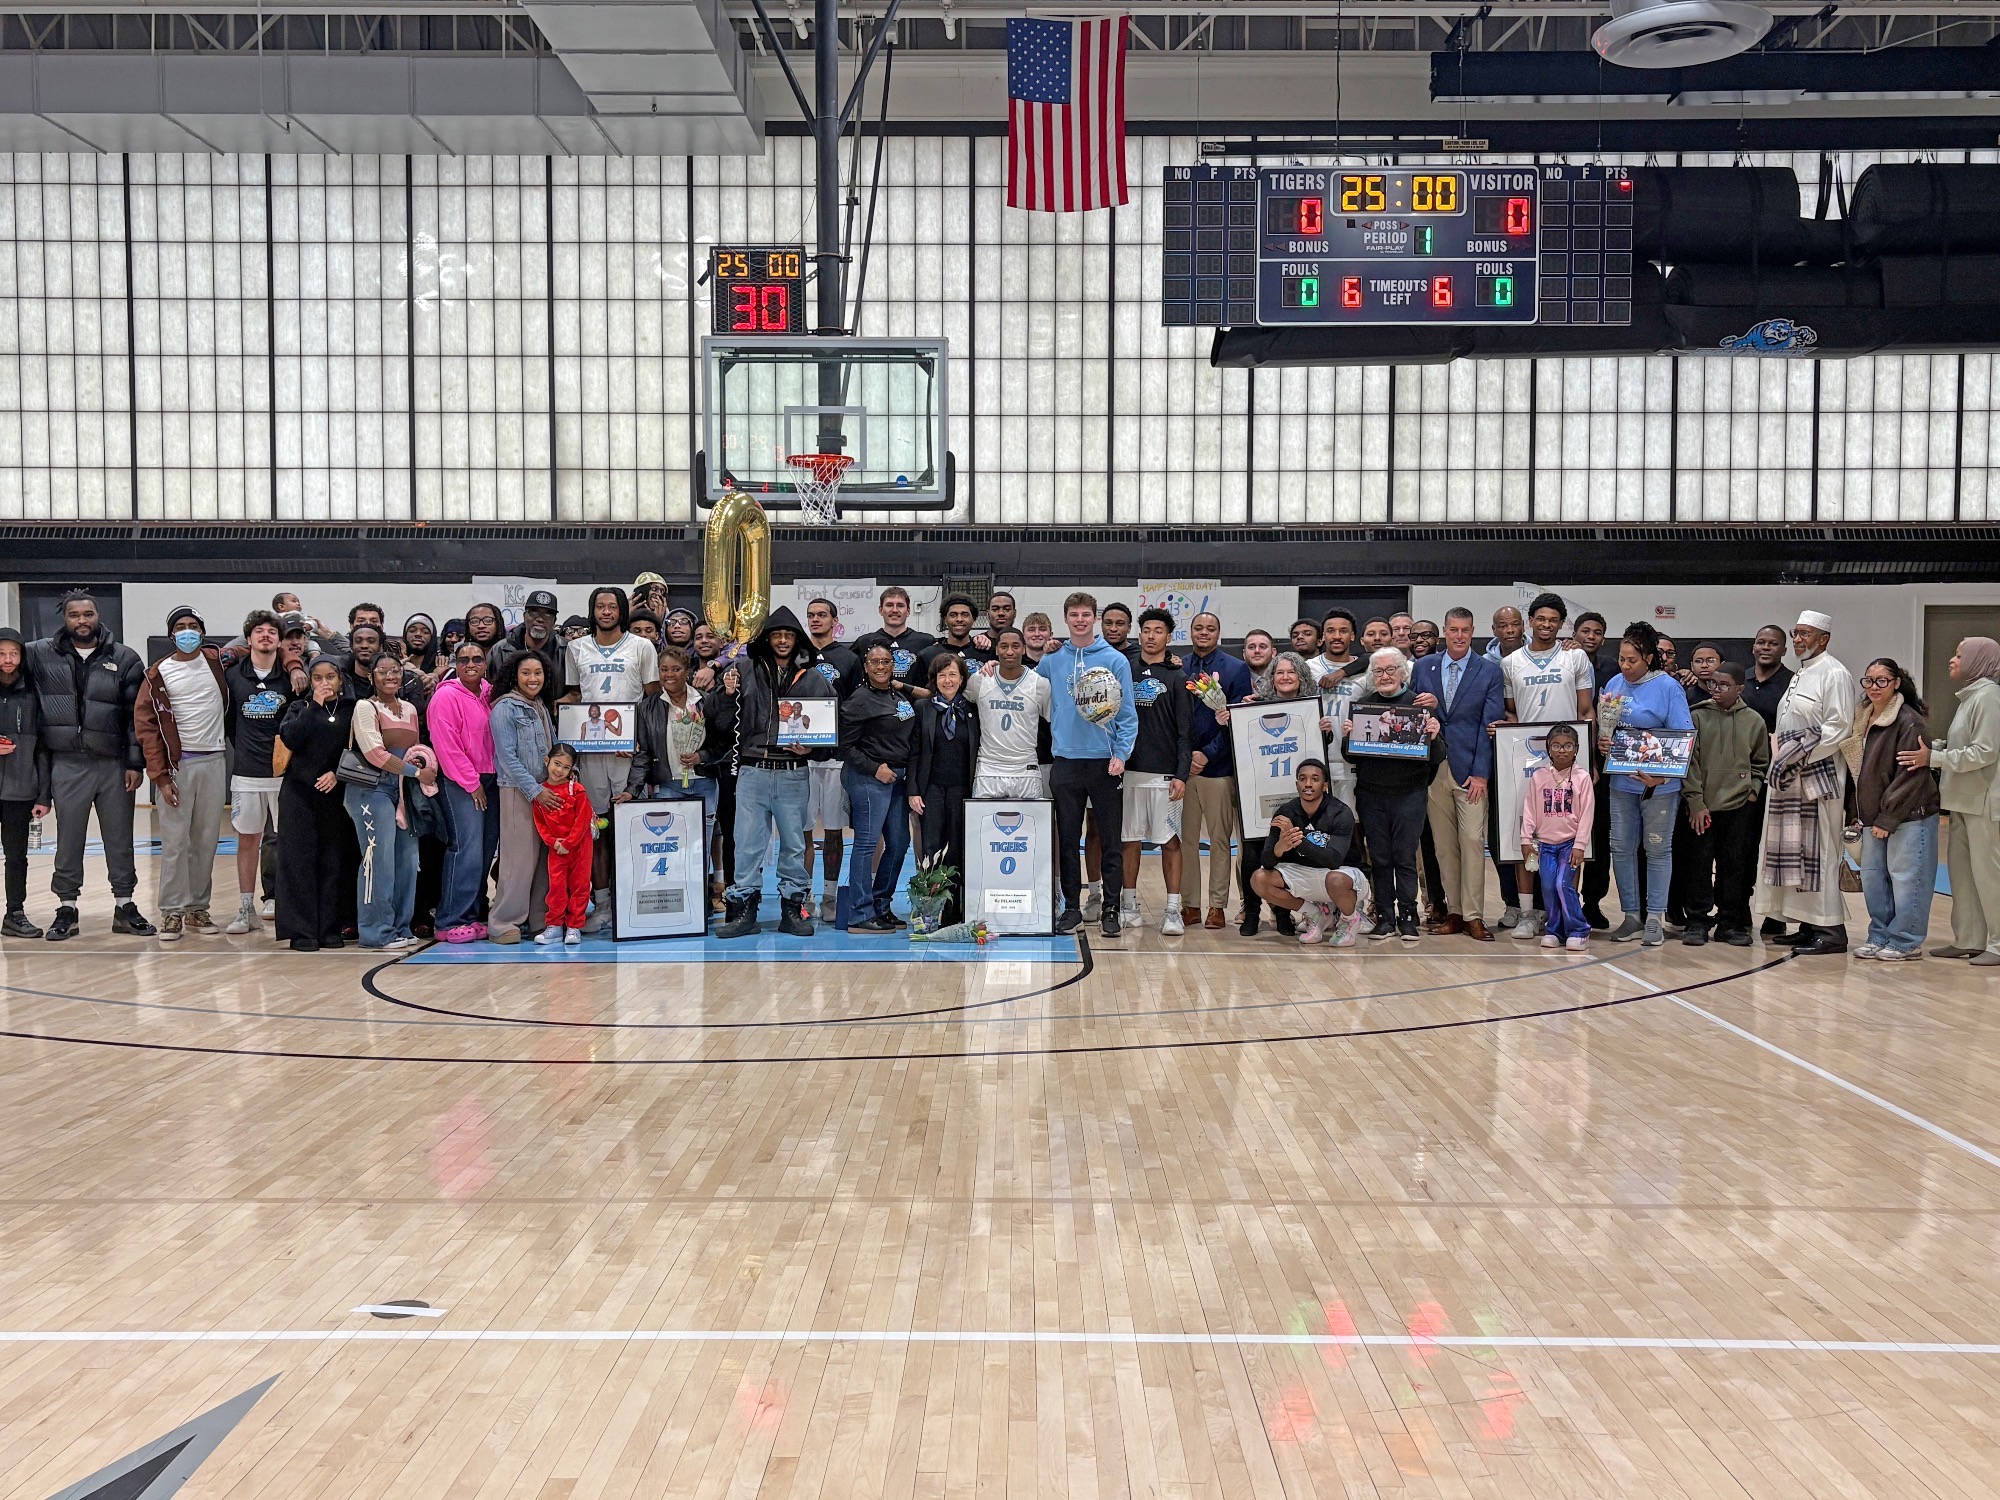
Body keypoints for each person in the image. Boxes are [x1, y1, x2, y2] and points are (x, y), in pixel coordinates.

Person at [25, 591, 152, 941]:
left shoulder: (124, 658)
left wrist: (134, 763)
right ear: (64, 619)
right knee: (68, 841)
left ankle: (125, 905)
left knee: (120, 838)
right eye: (74, 615)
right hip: (66, 762)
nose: (82, 620)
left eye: (88, 614)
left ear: (99, 616)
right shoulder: (39, 654)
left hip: (113, 764)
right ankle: (67, 908)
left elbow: (134, 718)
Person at [715, 606, 831, 939]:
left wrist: (813, 750)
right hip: (753, 770)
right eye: (777, 635)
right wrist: (725, 693)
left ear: (798, 640)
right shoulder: (742, 670)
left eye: (789, 635)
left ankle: (792, 911)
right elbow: (719, 720)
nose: (782, 640)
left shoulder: (813, 679)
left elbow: (830, 733)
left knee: (794, 844)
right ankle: (743, 912)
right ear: (767, 638)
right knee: (748, 844)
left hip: (793, 771)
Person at [1754, 610, 1856, 955]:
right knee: (1795, 852)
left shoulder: (1835, 674)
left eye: (1805, 634)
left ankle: (1831, 930)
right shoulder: (1801, 673)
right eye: (1795, 633)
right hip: (1790, 773)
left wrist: (1795, 755)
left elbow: (1839, 727)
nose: (1798, 640)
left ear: (1823, 638)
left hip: (1816, 776)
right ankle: (1808, 923)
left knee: (1820, 851)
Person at [1039, 592, 1138, 937]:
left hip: (1104, 762)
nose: (1080, 620)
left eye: (1086, 614)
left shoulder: (1115, 660)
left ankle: (1111, 908)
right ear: (1066, 619)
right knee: (1067, 840)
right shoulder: (1052, 660)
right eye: (1074, 615)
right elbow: (1026, 690)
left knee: (1110, 840)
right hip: (1065, 761)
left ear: (1094, 618)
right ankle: (1071, 907)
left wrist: (1121, 754)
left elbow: (1127, 715)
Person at [1499, 592, 1596, 940]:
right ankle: (1528, 912)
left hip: (1569, 755)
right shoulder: (1510, 663)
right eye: (1540, 619)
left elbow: (1586, 712)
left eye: (1553, 620)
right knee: (1524, 835)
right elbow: (1512, 713)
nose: (1546, 625)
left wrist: (1590, 760)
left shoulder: (1576, 657)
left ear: (1561, 624)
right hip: (1527, 757)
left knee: (1570, 835)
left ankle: (1569, 913)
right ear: (1530, 622)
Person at [1899, 637, 2000, 965]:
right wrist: (1936, 748)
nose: (1952, 660)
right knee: (1962, 874)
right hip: (1961, 801)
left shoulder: (1989, 697)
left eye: (1960, 655)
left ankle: (1998, 943)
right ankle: (1969, 938)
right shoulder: (1971, 698)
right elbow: (1963, 745)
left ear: (1979, 660)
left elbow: (1985, 752)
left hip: (1983, 803)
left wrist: (1935, 758)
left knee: (1989, 876)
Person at [563, 586, 658, 932]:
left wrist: (640, 741)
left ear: (622, 610)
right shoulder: (576, 648)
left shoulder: (641, 646)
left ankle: (632, 900)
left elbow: (651, 698)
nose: (606, 612)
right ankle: (601, 905)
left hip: (626, 753)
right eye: (600, 606)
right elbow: (575, 694)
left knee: (631, 827)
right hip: (589, 751)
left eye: (612, 606)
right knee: (596, 830)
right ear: (593, 611)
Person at [1598, 620, 1696, 947]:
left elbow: (1683, 739)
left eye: (1632, 661)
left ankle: (1655, 916)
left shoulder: (1669, 688)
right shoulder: (1614, 683)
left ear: (1649, 659)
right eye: (1622, 659)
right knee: (1621, 848)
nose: (1625, 666)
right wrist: (1605, 743)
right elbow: (1608, 729)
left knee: (1657, 848)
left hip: (1659, 787)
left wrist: (1662, 775)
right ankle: (1631, 916)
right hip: (1622, 784)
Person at [1413, 608, 1505, 941]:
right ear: (1445, 633)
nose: (1459, 635)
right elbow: (1411, 712)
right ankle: (1453, 912)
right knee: (1443, 847)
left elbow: (1489, 725)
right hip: (1433, 768)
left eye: (1465, 630)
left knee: (1471, 841)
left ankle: (1475, 916)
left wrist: (1482, 773)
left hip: (1471, 771)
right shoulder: (1424, 666)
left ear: (1472, 632)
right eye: (1453, 629)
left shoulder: (1489, 671)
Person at [1839, 657, 1938, 962]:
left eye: (1882, 680)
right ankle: (1880, 934)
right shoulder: (1862, 719)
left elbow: (1912, 775)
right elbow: (1857, 773)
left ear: (1896, 683)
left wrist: (1888, 816)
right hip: (1871, 817)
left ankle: (1906, 940)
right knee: (1873, 879)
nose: (1874, 687)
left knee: (1907, 879)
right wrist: (1855, 812)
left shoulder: (1909, 721)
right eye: (1868, 681)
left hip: (1909, 816)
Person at [1348, 648, 1442, 941]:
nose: (1385, 676)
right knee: (1379, 857)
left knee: (1404, 857)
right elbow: (1351, 757)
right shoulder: (1363, 706)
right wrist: (1347, 735)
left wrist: (1435, 734)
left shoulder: (1418, 706)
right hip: (1371, 794)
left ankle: (1408, 917)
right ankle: (1385, 918)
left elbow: (1437, 756)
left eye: (1391, 670)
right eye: (1378, 671)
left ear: (1403, 673)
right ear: (1371, 675)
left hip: (1409, 793)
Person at [346, 653, 434, 951]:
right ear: (372, 676)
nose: (389, 676)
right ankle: (375, 932)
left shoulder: (409, 708)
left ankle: (400, 926)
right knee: (377, 860)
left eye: (395, 670)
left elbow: (415, 748)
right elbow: (375, 754)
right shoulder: (364, 707)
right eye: (382, 671)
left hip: (404, 792)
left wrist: (423, 765)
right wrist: (416, 772)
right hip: (371, 792)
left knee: (408, 860)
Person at [1678, 662, 1769, 949]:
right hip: (1702, 806)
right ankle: (1697, 921)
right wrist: (1695, 800)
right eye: (1713, 683)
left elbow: (1760, 763)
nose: (1716, 689)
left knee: (1734, 866)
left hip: (1739, 807)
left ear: (1740, 688)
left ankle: (1729, 922)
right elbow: (1688, 762)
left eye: (1724, 685)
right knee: (1698, 865)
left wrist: (1752, 792)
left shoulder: (1754, 720)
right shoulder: (1696, 716)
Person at [1232, 651, 1320, 937]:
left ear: (1301, 678)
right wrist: (1229, 721)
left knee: (1287, 858)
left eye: (1291, 672)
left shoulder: (1310, 712)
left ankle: (1283, 914)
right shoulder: (1255, 708)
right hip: (1257, 797)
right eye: (1279, 672)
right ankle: (1252, 913)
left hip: (1294, 802)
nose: (1285, 677)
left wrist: (1326, 733)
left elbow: (1317, 755)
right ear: (1271, 678)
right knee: (1251, 858)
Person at [1118, 608, 1192, 933]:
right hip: (1129, 772)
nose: (1151, 636)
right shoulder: (1124, 670)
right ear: (1139, 634)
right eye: (1146, 630)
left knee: (1170, 842)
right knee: (1129, 841)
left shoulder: (1177, 676)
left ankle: (1173, 910)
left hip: (1166, 776)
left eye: (1158, 631)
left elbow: (1185, 733)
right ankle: (1129, 905)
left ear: (1168, 637)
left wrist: (1182, 773)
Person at [274, 659, 355, 951]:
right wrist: (315, 706)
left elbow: (358, 749)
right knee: (298, 861)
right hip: (299, 793)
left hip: (334, 794)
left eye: (330, 677)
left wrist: (338, 774)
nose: (324, 683)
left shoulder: (351, 711)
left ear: (340, 680)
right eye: (318, 678)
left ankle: (329, 927)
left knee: (333, 861)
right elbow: (291, 737)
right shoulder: (300, 709)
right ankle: (301, 930)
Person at [840, 642, 917, 933]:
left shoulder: (897, 694)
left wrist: (902, 684)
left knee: (899, 844)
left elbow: (930, 695)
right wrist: (875, 768)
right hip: (869, 777)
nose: (881, 666)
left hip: (898, 777)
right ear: (866, 667)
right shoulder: (859, 700)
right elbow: (845, 746)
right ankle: (860, 913)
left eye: (886, 661)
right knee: (867, 844)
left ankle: (881, 905)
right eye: (875, 662)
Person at [1249, 758, 1367, 947]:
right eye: (1303, 779)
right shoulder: (1285, 812)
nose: (1308, 784)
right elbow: (1266, 860)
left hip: (1342, 875)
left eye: (1315, 779)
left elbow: (1334, 860)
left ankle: (1350, 919)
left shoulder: (1340, 812)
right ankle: (1315, 914)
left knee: (1335, 879)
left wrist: (1298, 841)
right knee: (1260, 878)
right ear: (1297, 784)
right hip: (1304, 874)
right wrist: (1279, 848)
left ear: (1325, 785)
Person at [1181, 610, 1250, 930]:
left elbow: (1235, 719)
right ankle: (1190, 904)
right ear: (1191, 631)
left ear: (1219, 633)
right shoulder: (1178, 666)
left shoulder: (1236, 668)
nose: (1204, 632)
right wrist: (1185, 758)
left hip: (1218, 769)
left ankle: (1218, 906)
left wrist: (1208, 754)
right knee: (1186, 842)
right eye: (1198, 628)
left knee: (1220, 841)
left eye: (1210, 628)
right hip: (1183, 771)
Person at [428, 637, 498, 943]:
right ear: (456, 665)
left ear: (485, 663)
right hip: (462, 783)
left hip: (492, 779)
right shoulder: (445, 697)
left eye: (477, 659)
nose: (471, 664)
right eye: (464, 660)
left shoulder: (490, 693)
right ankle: (449, 919)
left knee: (483, 853)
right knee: (465, 850)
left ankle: (471, 915)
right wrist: (471, 784)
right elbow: (448, 747)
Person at [488, 650, 556, 945]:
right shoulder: (504, 709)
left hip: (546, 792)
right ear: (514, 676)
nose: (533, 678)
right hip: (518, 791)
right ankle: (503, 921)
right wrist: (535, 790)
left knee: (543, 860)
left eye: (538, 673)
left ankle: (540, 918)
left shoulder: (539, 705)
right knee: (518, 861)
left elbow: (552, 749)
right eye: (526, 673)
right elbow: (508, 759)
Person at [798, 597, 860, 921]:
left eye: (822, 615)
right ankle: (803, 895)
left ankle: (830, 897)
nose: (816, 620)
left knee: (834, 830)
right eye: (811, 615)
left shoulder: (848, 659)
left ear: (835, 620)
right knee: (803, 830)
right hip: (802, 757)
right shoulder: (796, 656)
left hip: (836, 758)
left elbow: (853, 707)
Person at [909, 653, 980, 926]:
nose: (947, 680)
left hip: (964, 789)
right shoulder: (923, 708)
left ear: (962, 679)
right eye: (942, 675)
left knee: (959, 849)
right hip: (932, 789)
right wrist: (913, 790)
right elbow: (914, 753)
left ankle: (955, 910)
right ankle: (928, 909)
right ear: (934, 679)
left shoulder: (972, 709)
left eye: (953, 675)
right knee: (931, 848)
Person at [1520, 722, 1594, 952]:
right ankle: (1555, 929)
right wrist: (1526, 840)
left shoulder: (1582, 778)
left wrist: (1580, 845)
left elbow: (1586, 814)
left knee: (1564, 885)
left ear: (1577, 749)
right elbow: (1530, 810)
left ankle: (1579, 929)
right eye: (1556, 745)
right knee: (1549, 887)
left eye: (1568, 745)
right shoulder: (1539, 777)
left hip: (1569, 844)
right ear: (1548, 749)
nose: (1562, 750)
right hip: (1546, 845)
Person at [629, 645, 729, 815]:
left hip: (704, 782)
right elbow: (643, 754)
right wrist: (632, 790)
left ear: (687, 672)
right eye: (664, 669)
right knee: (671, 838)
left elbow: (723, 743)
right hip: (668, 784)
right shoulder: (646, 708)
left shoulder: (707, 701)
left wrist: (701, 756)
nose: (669, 674)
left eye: (676, 669)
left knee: (703, 837)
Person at [0, 628, 51, 938]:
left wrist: (43, 794)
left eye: (13, 653)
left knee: (17, 856)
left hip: (20, 790)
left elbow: (43, 749)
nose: (8, 659)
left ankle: (14, 913)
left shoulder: (34, 693)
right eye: (2, 653)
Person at [968, 627, 1051, 798]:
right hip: (988, 768)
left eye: (1015, 646)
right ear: (996, 649)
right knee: (984, 824)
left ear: (1023, 648)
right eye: (1004, 646)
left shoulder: (1040, 684)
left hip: (1026, 768)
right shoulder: (980, 680)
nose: (1010, 651)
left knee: (1031, 824)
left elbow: (1054, 721)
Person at [530, 743, 593, 946]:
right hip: (556, 849)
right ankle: (554, 927)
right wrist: (553, 842)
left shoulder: (577, 790)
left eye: (566, 767)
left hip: (580, 848)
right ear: (547, 761)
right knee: (556, 888)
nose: (560, 770)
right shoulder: (540, 793)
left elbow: (583, 820)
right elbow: (539, 822)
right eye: (557, 764)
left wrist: (570, 842)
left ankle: (574, 927)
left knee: (580, 886)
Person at [488, 589, 565, 706]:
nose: (540, 619)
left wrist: (559, 706)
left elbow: (576, 691)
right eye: (534, 612)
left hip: (555, 719)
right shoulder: (500, 649)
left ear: (554, 621)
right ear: (524, 616)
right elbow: (488, 689)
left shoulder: (565, 650)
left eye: (547, 614)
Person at [852, 586, 936, 691]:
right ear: (881, 610)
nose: (895, 610)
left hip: (915, 705)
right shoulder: (864, 642)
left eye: (900, 606)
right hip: (875, 704)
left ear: (908, 611)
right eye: (889, 605)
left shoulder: (926, 642)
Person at [1741, 625, 1794, 732]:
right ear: (1753, 648)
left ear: (1784, 651)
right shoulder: (1739, 678)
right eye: (1761, 642)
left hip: (1775, 747)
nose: (1766, 647)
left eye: (1774, 644)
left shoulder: (1793, 683)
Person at [925, 594, 994, 669]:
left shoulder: (988, 653)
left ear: (973, 619)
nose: (959, 619)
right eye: (953, 615)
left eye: (965, 615)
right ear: (945, 619)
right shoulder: (928, 655)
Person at [272, 592, 348, 659]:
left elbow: (354, 657)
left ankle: (314, 656)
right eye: (288, 637)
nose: (295, 642)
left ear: (304, 638)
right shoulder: (275, 618)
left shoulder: (301, 616)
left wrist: (329, 635)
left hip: (309, 644)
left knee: (313, 645)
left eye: (298, 637)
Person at [1241, 629, 1278, 698]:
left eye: (1262, 647)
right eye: (1251, 647)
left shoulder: (1283, 678)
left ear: (1273, 653)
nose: (1257, 651)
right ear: (1244, 654)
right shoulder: (1235, 680)